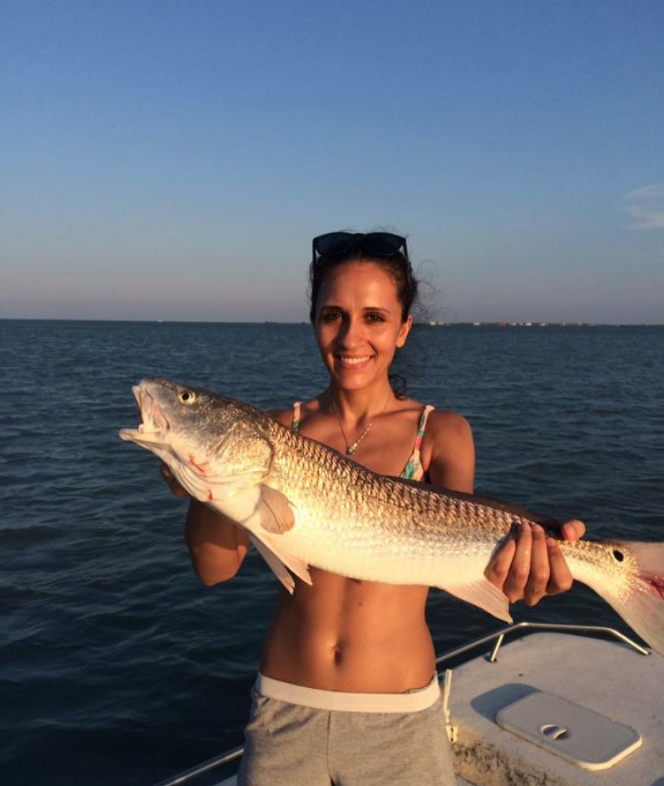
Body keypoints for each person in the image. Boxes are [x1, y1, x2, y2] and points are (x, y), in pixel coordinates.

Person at [161, 231, 585, 785]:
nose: (351, 337)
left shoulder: (441, 434)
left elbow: (468, 549)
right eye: (333, 315)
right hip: (285, 710)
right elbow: (214, 571)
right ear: (313, 321)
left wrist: (529, 564)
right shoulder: (273, 433)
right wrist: (200, 481)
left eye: (374, 317)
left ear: (404, 328)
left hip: (399, 716)